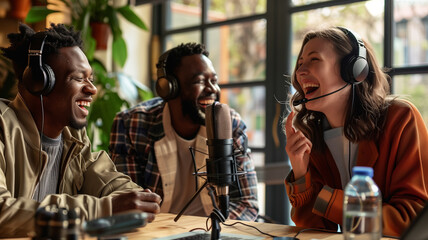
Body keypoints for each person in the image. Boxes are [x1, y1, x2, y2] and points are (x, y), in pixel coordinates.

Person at [0, 23, 161, 237]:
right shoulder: (3, 128)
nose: (92, 89)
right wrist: (105, 208)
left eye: (91, 79)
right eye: (78, 78)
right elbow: (3, 212)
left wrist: (136, 199)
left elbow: (109, 182)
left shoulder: (73, 140)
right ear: (39, 82)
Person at [283, 26, 428, 237]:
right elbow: (315, 230)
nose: (300, 71)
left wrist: (327, 199)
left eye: (314, 59)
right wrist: (300, 173)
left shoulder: (401, 119)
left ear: (354, 70)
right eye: (300, 63)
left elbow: (410, 219)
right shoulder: (313, 136)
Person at [109, 42, 259, 221]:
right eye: (200, 81)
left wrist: (210, 232)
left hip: (212, 232)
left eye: (214, 81)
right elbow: (130, 205)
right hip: (157, 232)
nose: (212, 89)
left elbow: (247, 203)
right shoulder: (132, 125)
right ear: (169, 88)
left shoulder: (229, 124)